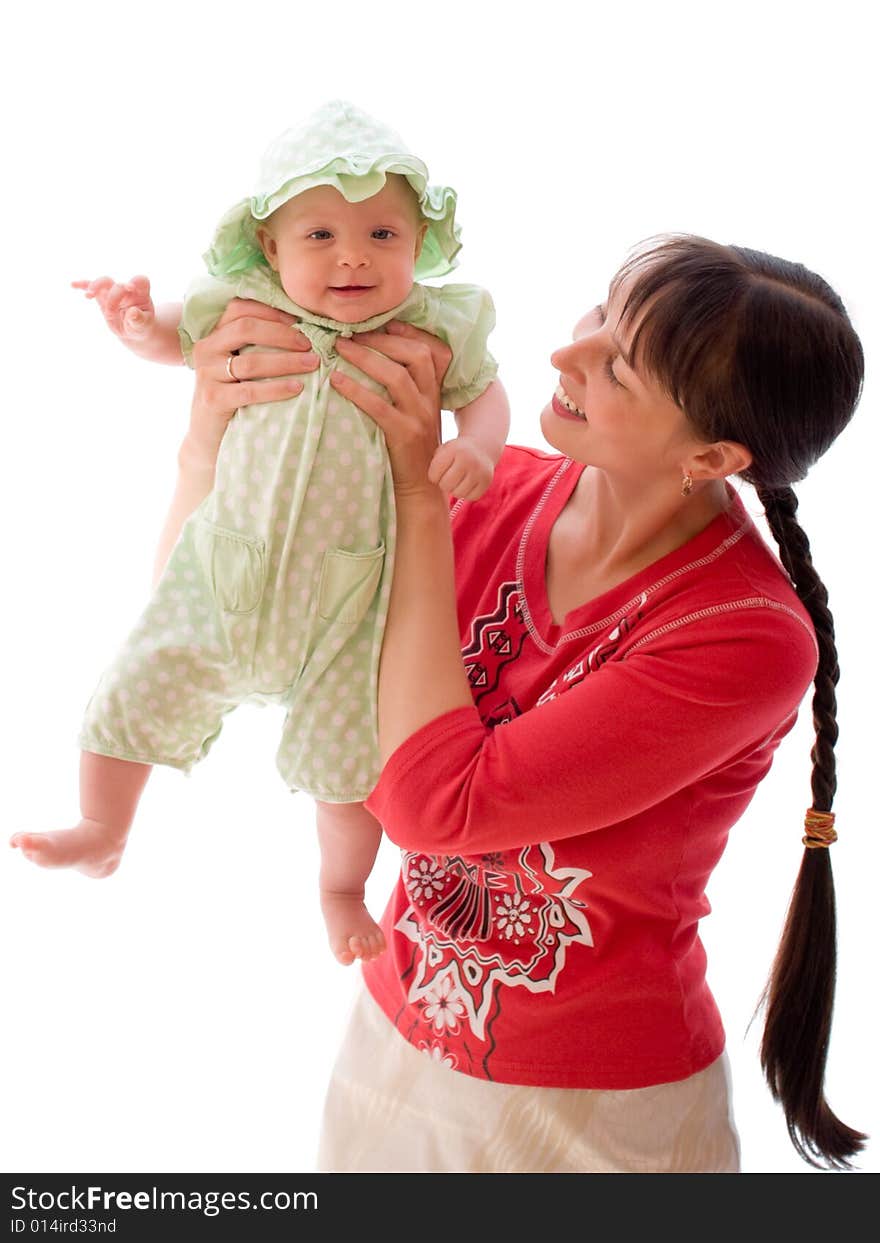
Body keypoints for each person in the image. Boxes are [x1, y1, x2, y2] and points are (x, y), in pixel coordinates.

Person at [151, 231, 864, 1173]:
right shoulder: (493, 491)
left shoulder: (745, 636)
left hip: (592, 1116)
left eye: (620, 363)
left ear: (713, 454)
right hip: (392, 1044)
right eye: (602, 310)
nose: (567, 352)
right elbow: (216, 632)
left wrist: (407, 489)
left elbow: (438, 804)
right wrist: (209, 438)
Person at [8, 101, 510, 966]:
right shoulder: (243, 307)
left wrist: (477, 444)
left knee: (353, 764)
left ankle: (339, 886)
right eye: (320, 234)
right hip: (223, 572)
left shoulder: (433, 327)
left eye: (383, 234)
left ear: (417, 248)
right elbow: (176, 339)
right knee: (133, 682)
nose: (354, 255)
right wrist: (137, 325)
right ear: (270, 250)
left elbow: (487, 393)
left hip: (354, 602)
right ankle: (103, 825)